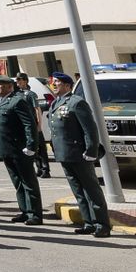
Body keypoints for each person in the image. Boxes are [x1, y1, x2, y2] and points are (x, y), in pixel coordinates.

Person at [46, 73, 111, 238]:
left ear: (67, 85)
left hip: (79, 154)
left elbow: (90, 129)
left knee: (91, 190)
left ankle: (102, 224)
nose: (54, 85)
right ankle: (88, 222)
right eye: (53, 83)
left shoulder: (76, 102)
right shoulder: (56, 103)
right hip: (64, 154)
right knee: (79, 191)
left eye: (58, 82)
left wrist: (91, 150)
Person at [0, 74, 43, 224]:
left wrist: (31, 145)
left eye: (0, 84)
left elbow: (29, 124)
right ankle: (25, 211)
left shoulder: (18, 101)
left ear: (9, 86)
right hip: (6, 148)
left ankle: (35, 214)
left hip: (20, 148)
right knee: (17, 182)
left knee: (28, 182)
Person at [16, 73, 51, 179]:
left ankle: (45, 169)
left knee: (40, 147)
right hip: (23, 125)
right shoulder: (17, 94)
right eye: (17, 80)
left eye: (20, 80)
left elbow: (37, 109)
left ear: (25, 81)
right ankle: (39, 168)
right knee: (32, 147)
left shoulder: (31, 94)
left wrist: (39, 125)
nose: (18, 82)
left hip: (33, 124)